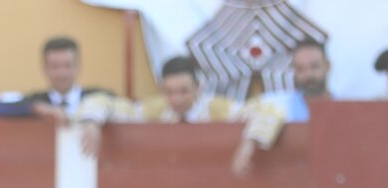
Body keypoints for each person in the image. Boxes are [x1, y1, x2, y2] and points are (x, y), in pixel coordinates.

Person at [78, 56, 285, 177]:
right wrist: (91, 123)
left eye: (184, 91)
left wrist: (249, 142)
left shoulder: (216, 108)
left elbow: (271, 110)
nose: (176, 100)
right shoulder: (155, 109)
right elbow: (101, 102)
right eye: (169, 92)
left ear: (199, 88)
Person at [0, 37, 112, 121]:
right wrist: (35, 108)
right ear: (45, 69)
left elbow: (126, 109)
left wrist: (93, 115)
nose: (62, 73)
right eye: (55, 66)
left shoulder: (96, 96)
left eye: (67, 65)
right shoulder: (36, 101)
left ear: (78, 67)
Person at [280, 39, 333, 122]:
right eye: (300, 69)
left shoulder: (346, 110)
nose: (308, 75)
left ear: (328, 66)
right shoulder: (282, 111)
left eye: (314, 67)